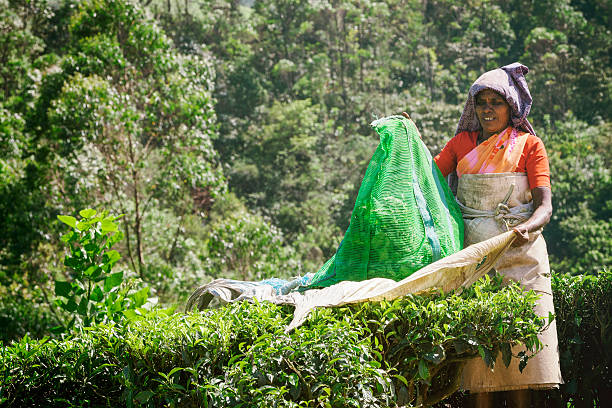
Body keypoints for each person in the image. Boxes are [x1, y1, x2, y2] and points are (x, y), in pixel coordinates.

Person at [431, 63, 563, 407]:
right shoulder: (460, 144)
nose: (488, 109)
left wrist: (527, 227)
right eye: (482, 102)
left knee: (523, 352)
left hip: (523, 256)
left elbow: (544, 206)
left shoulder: (530, 145)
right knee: (478, 356)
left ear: (511, 107)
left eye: (496, 102)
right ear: (473, 108)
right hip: (476, 255)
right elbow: (428, 178)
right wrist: (408, 139)